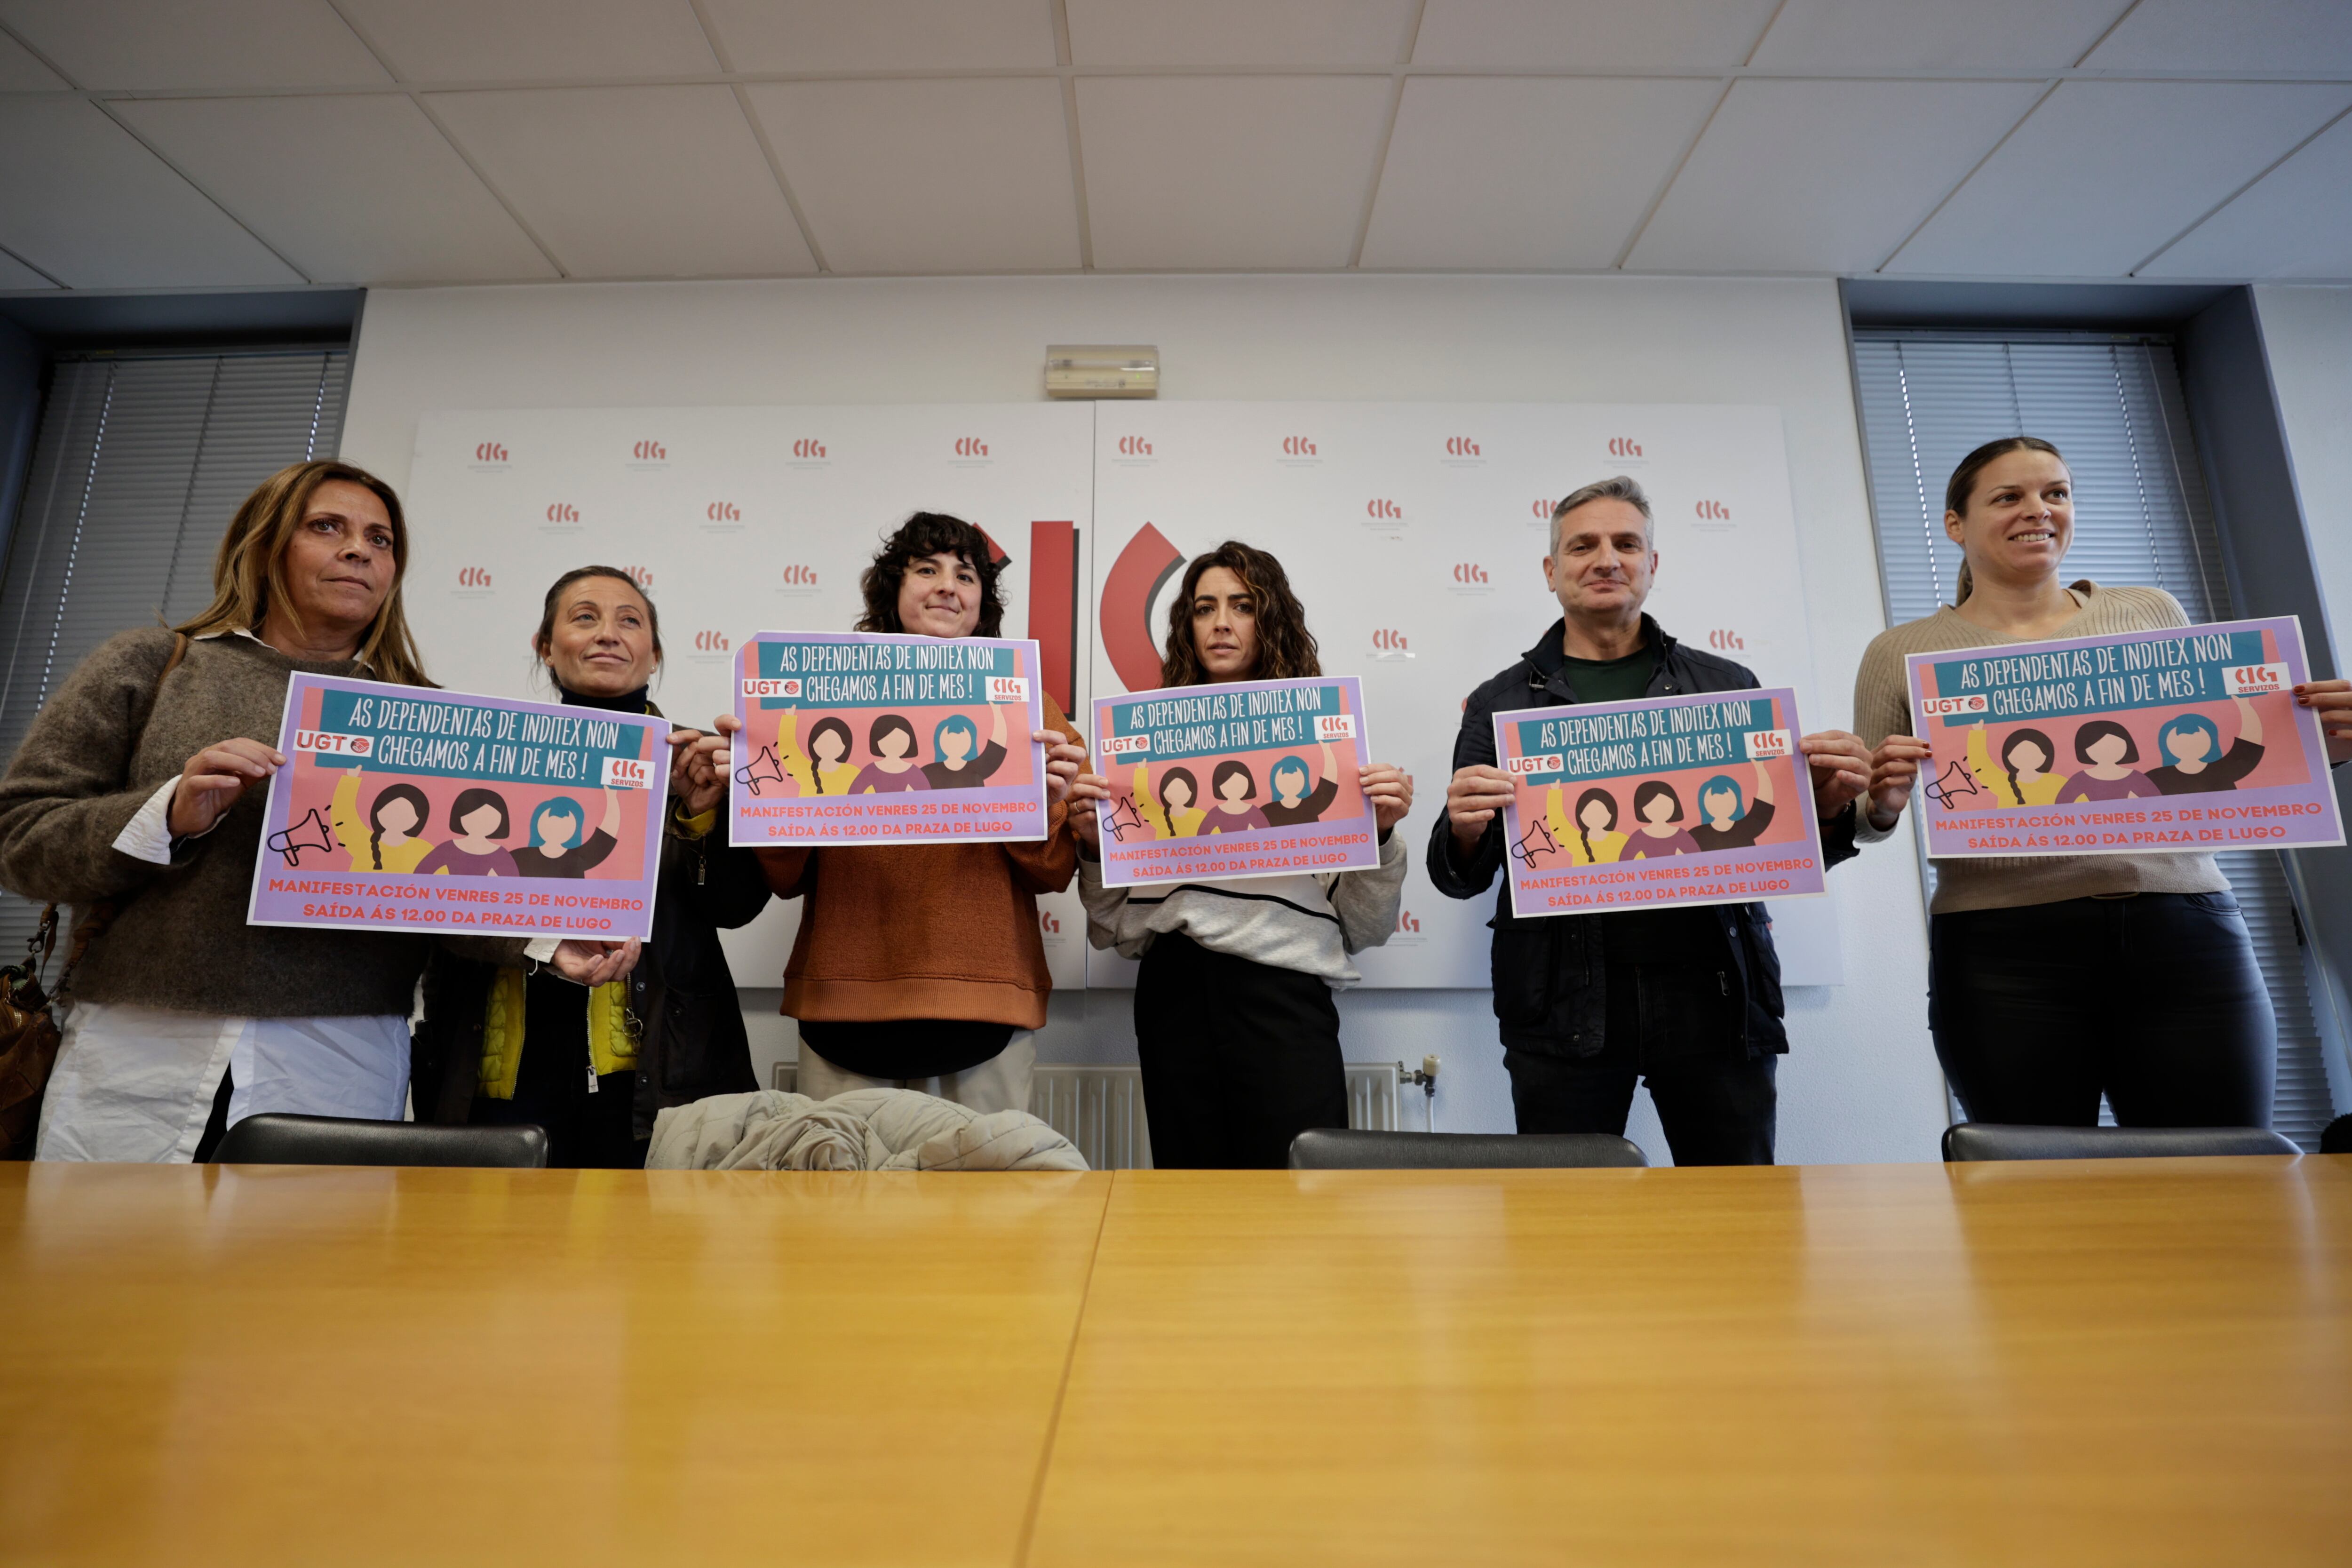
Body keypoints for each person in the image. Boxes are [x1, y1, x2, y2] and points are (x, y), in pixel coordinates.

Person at [0, 462, 637, 1162]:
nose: (358, 550)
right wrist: (167, 813)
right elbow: (21, 837)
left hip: (343, 1056)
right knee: (103, 1265)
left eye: (381, 539)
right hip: (138, 1044)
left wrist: (546, 943)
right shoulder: (153, 666)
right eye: (327, 527)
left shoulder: (428, 718)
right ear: (267, 544)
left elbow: (452, 884)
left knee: (308, 1271)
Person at [1850, 436, 2338, 1130]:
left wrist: (2322, 748)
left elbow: (2212, 758)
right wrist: (1883, 802)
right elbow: (1867, 816)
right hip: (2002, 952)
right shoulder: (1899, 653)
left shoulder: (2148, 612)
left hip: (2185, 931)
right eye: (2009, 497)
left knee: (2225, 1184)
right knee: (2040, 1196)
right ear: (1955, 525)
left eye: (2056, 493)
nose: (2039, 510)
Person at [1430, 476, 1871, 1167]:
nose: (1606, 558)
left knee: (1739, 1215)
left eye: (1626, 543)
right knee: (1568, 1225)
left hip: (1716, 995)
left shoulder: (1728, 687)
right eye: (1583, 545)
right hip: (1563, 1005)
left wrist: (1828, 803)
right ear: (1552, 571)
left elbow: (1784, 846)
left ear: (1652, 565)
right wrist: (1462, 827)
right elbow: (1462, 876)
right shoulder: (1500, 702)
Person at [710, 512, 1084, 1114]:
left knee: (989, 1208)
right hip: (843, 1008)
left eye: (965, 575)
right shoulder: (811, 699)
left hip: (984, 1008)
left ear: (982, 602)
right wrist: (757, 795)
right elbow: (783, 879)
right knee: (845, 1207)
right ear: (893, 588)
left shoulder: (1032, 708)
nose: (946, 586)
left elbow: (1053, 873)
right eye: (926, 569)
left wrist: (1044, 809)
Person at [1069, 541, 1414, 1169]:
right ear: (1188, 626)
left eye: (1243, 605)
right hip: (1174, 991)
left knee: (1302, 1205)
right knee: (1193, 1207)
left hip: (1283, 994)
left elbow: (1367, 926)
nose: (1222, 622)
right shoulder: (1141, 754)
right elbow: (1111, 927)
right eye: (1205, 608)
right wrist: (1094, 846)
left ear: (1270, 618)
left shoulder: (1321, 745)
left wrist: (1382, 835)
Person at [411, 566, 771, 1168]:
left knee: (647, 1254)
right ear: (545, 648)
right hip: (502, 1062)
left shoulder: (703, 762)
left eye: (629, 621)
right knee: (499, 1251)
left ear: (654, 655)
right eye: (584, 618)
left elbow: (735, 908)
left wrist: (702, 817)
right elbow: (433, 900)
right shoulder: (488, 758)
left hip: (653, 1065)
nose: (608, 634)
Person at [2148, 698, 2264, 794]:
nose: (2189, 747)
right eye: (2181, 742)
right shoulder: (2157, 778)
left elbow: (2248, 747)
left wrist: (2245, 706)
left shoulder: (2222, 770)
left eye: (2196, 742)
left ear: (2212, 743)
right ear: (2166, 746)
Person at [330, 770, 433, 872]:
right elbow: (344, 819)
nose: (396, 817)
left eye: (407, 814)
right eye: (391, 810)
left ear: (418, 820)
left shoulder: (422, 849)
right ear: (378, 811)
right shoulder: (364, 841)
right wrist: (351, 780)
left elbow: (438, 875)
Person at [515, 788, 621, 878]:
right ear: (536, 824)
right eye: (551, 824)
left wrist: (612, 798)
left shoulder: (577, 858)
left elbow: (605, 837)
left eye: (564, 826)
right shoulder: (520, 857)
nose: (556, 830)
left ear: (576, 831)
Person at [416, 789, 522, 876]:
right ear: (460, 817)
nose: (481, 823)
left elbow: (512, 888)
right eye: (473, 817)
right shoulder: (447, 849)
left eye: (490, 819)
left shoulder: (501, 855)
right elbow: (420, 874)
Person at [2055, 719, 2155, 802]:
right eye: (2098, 748)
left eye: (2116, 746)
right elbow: (2062, 805)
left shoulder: (2136, 777)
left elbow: (2158, 804)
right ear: (2085, 750)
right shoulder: (2080, 779)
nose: (2108, 752)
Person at [1963, 722, 2061, 806]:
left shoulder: (2057, 782)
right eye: (2020, 753)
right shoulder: (2004, 782)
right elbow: (1981, 767)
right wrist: (1977, 733)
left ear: (2046, 756)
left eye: (2034, 753)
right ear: (2008, 757)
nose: (2026, 758)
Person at [923, 707, 1009, 789]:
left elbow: (996, 748)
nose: (956, 745)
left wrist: (997, 712)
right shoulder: (928, 772)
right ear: (939, 743)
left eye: (961, 741)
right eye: (950, 740)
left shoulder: (977, 768)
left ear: (971, 743)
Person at [1260, 740, 1340, 827]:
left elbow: (1328, 784)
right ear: (1275, 783)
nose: (1290, 784)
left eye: (1295, 780)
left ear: (1305, 781)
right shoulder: (1267, 811)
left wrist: (1327, 750)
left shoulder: (1311, 805)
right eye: (1285, 780)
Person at [779, 712, 858, 796]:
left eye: (835, 743)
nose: (829, 747)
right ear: (813, 744)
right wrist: (789, 718)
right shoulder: (806, 770)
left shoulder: (852, 773)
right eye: (824, 742)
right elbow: (788, 753)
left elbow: (867, 795)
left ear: (845, 747)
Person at [1546, 785, 1626, 866]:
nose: (1595, 817)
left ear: (1611, 815)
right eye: (1590, 812)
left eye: (1601, 812)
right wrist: (1555, 792)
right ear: (1580, 815)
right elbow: (1558, 825)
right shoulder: (1577, 840)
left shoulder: (1621, 840)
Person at [852, 714, 930, 794]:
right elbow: (854, 794)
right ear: (877, 741)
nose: (895, 744)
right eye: (887, 740)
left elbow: (928, 798)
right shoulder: (870, 770)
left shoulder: (914, 772)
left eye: (901, 740)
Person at [1623, 780, 1701, 858]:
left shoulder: (1682, 835)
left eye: (1665, 804)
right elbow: (1625, 862)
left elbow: (1699, 860)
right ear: (1642, 809)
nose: (1660, 810)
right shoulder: (1638, 837)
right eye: (1653, 807)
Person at [1136, 760, 1204, 838]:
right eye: (1172, 789)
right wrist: (1141, 771)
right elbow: (1144, 803)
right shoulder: (1160, 815)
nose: (1177, 794)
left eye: (1182, 790)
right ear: (1164, 792)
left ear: (1191, 793)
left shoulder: (1200, 816)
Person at [1201, 760, 1272, 835]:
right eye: (1228, 785)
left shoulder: (1254, 812)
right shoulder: (1215, 813)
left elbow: (1267, 835)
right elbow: (1202, 836)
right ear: (1219, 786)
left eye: (1241, 784)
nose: (1235, 788)